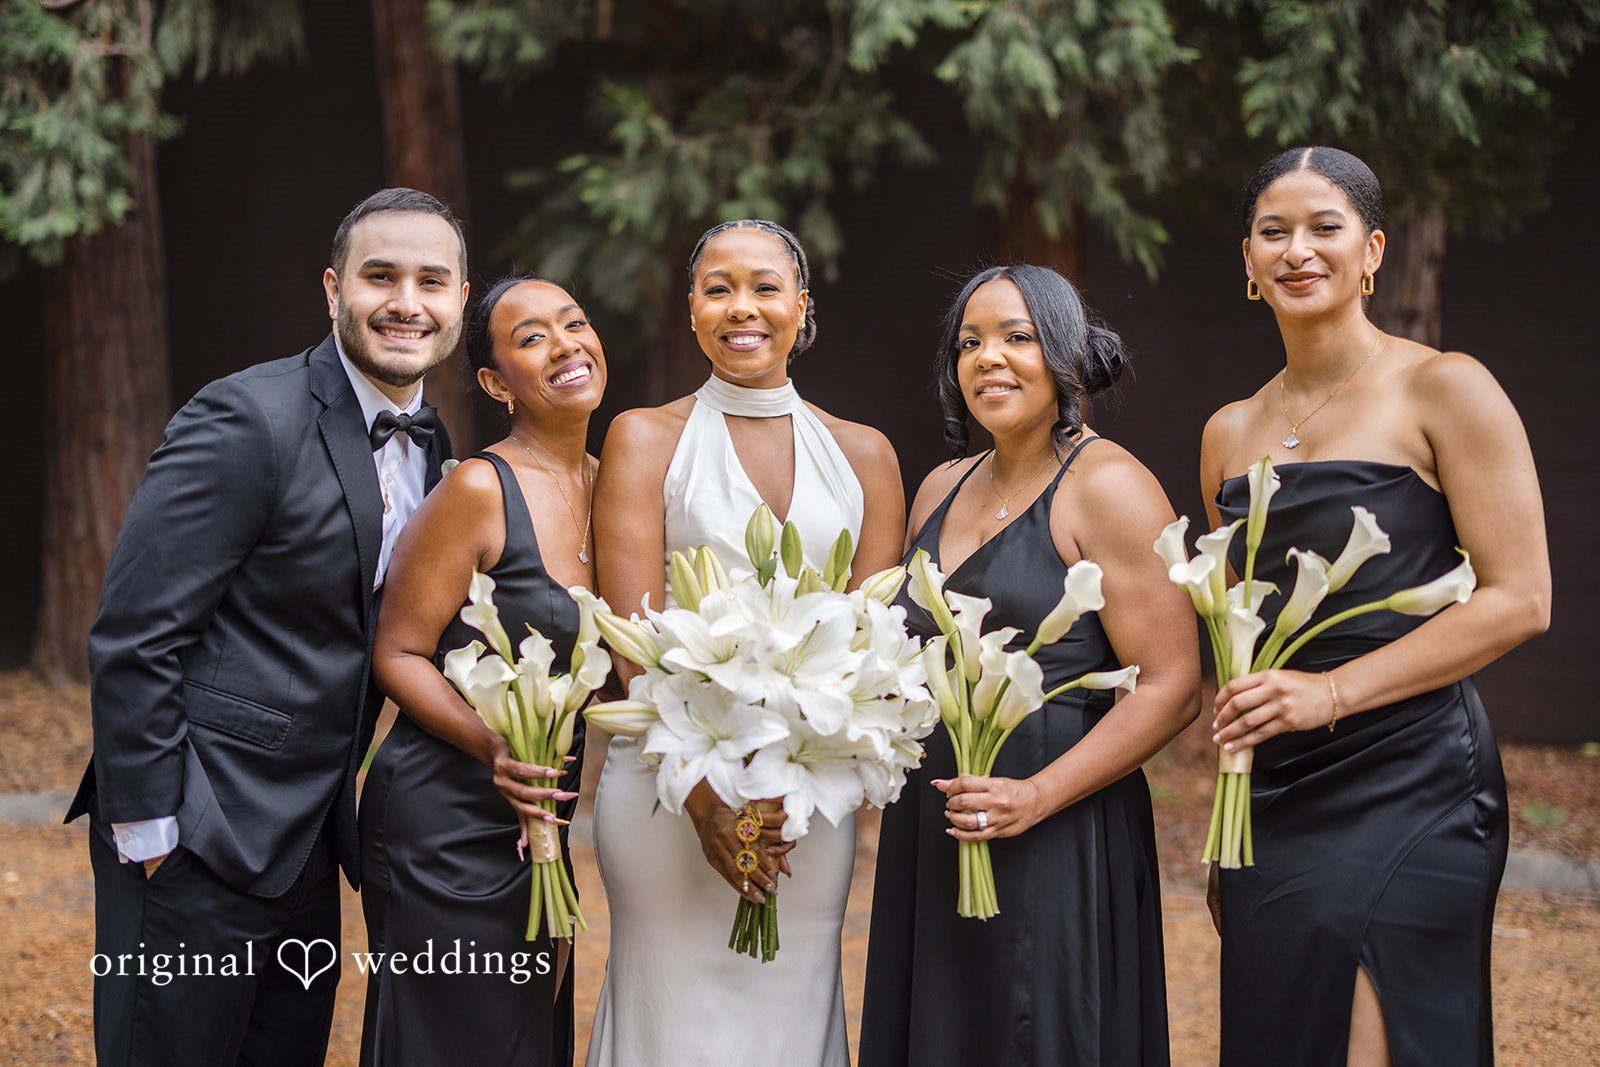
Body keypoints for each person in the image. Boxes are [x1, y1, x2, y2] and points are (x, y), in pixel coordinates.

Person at [66, 188, 468, 1065]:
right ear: (333, 290)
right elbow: (137, 631)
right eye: (380, 276)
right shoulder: (247, 417)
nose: (407, 301)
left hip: (307, 844)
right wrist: (149, 830)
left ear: (459, 302)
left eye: (432, 281)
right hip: (195, 829)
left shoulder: (437, 453)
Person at [1202, 146, 1550, 1066]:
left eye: (1326, 227)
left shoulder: (1446, 387)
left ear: (1373, 251)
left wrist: (1334, 693)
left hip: (1415, 773)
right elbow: (1240, 633)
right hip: (1273, 792)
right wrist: (1228, 803)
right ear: (1247, 260)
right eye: (1273, 232)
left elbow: (1521, 600)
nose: (1298, 250)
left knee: (1376, 1035)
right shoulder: (1228, 431)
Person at [859, 264, 1198, 1065]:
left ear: (1066, 353)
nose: (988, 359)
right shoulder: (941, 484)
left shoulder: (1109, 485)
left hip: (1058, 821)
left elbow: (1173, 683)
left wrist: (1036, 794)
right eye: (969, 343)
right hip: (939, 820)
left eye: (1017, 337)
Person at [585, 219, 905, 1065]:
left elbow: (867, 644)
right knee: (672, 1021)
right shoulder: (643, 437)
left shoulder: (866, 455)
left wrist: (791, 787)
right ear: (691, 308)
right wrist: (705, 803)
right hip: (670, 785)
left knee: (790, 1014)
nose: (742, 307)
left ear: (802, 304)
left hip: (804, 797)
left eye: (765, 286)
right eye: (717, 287)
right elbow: (634, 643)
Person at [358, 276, 605, 1065]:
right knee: (459, 1038)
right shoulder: (477, 488)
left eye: (574, 323)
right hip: (445, 820)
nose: (565, 344)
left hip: (541, 818)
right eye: (532, 337)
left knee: (528, 1035)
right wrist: (490, 742)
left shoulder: (619, 490)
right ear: (497, 383)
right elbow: (395, 651)